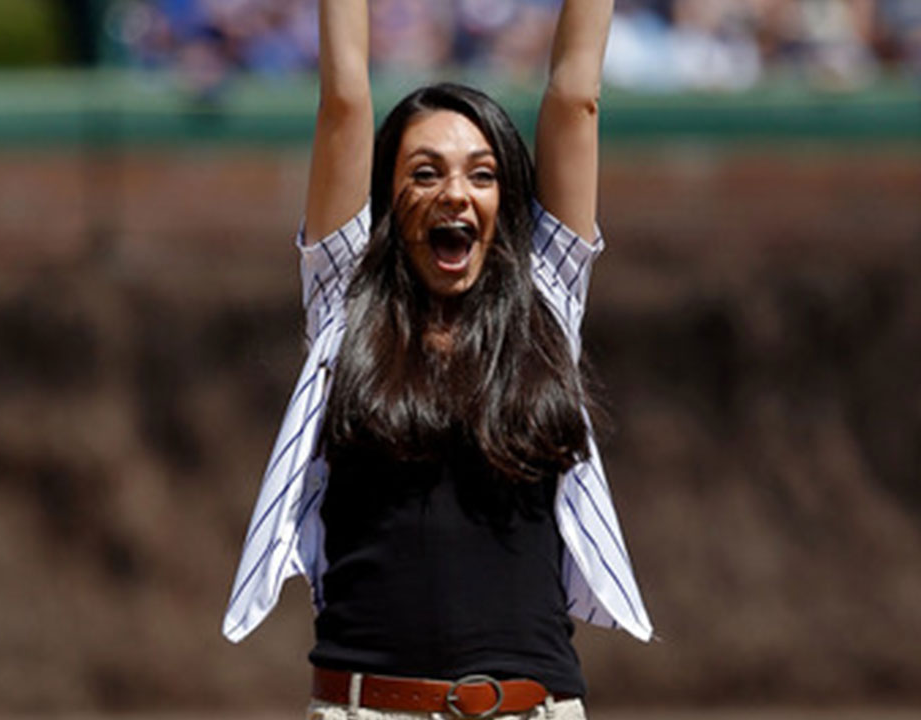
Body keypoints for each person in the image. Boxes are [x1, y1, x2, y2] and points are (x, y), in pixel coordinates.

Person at [224, 1, 652, 717]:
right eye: (425, 173)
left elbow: (577, 95)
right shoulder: (346, 296)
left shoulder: (545, 295)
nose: (456, 191)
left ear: (506, 198)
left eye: (482, 175)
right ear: (389, 200)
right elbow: (345, 98)